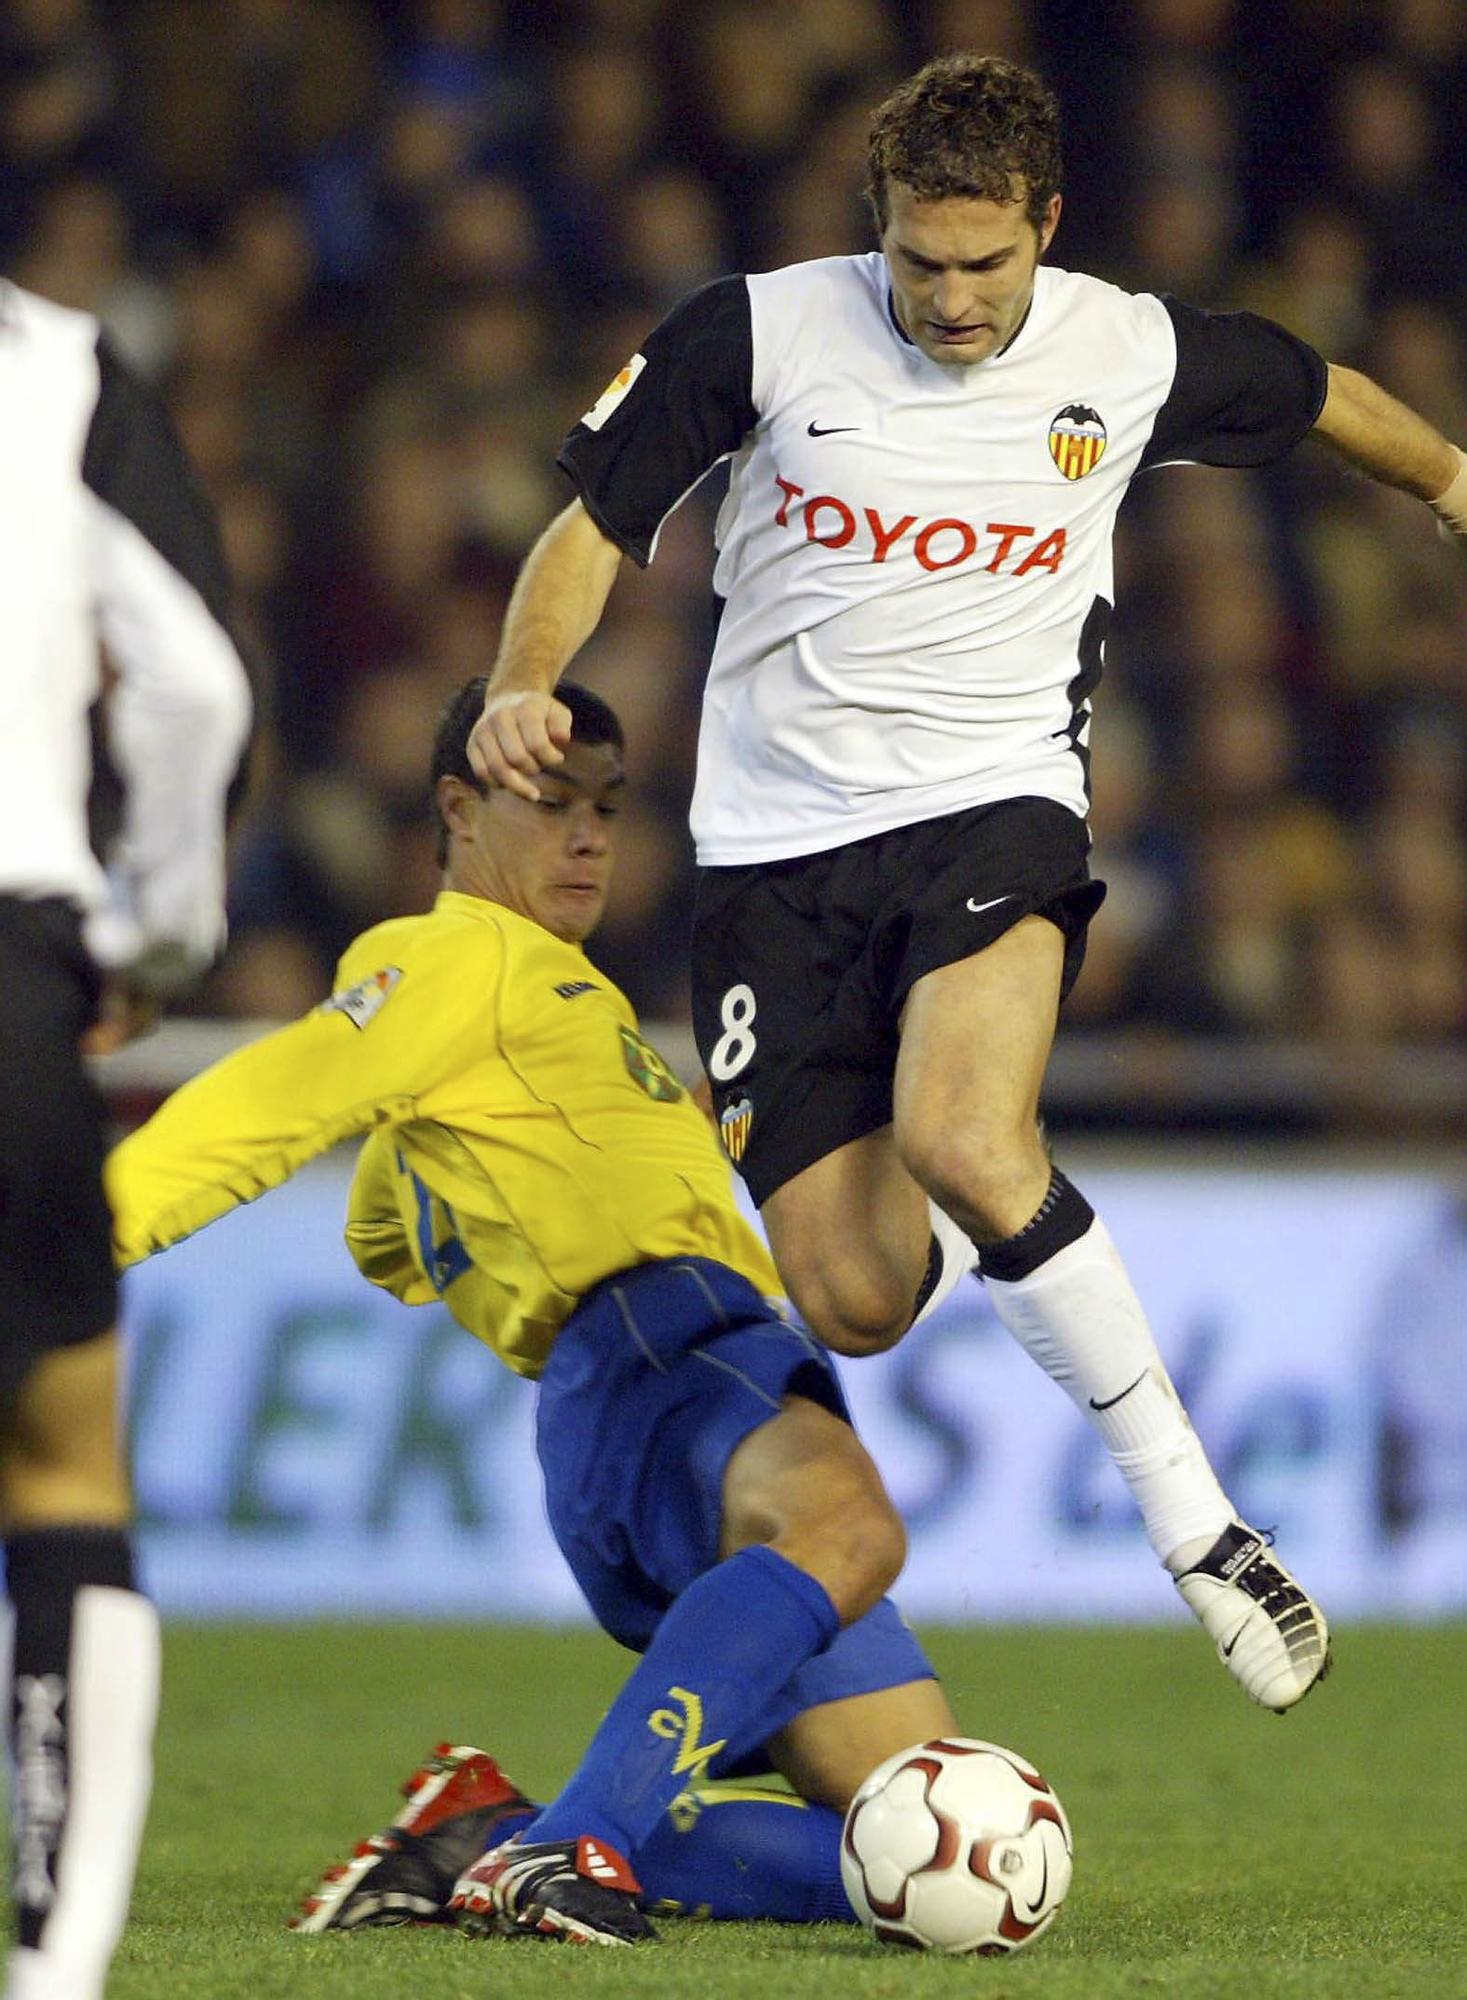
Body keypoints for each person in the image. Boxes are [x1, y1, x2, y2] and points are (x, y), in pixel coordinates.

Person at [467, 53, 1467, 1716]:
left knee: (969, 1139)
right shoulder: (753, 334)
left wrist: (1466, 491)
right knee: (860, 1296)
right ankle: (959, 1307)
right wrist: (517, 680)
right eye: (918, 264)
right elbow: (589, 530)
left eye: (985, 263)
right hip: (771, 860)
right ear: (872, 229)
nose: (953, 300)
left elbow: (1316, 389)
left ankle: (1199, 1531)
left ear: (1046, 222)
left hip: (993, 811)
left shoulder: (1122, 349)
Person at [108, 676, 959, 1948]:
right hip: (660, 1343)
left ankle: (493, 1832)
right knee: (848, 1523)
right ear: (457, 807)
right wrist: (70, 1238)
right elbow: (278, 1097)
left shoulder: (552, 1000)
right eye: (549, 801)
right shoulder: (456, 956)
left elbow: (387, 1236)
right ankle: (570, 1847)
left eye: (607, 807)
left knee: (932, 1835)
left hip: (642, 1378)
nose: (587, 835)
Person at [0, 279, 252, 2000]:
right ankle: (55, 1977)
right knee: (64, 1479)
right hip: (10, 957)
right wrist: (150, 939)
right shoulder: (56, 372)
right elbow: (190, 688)